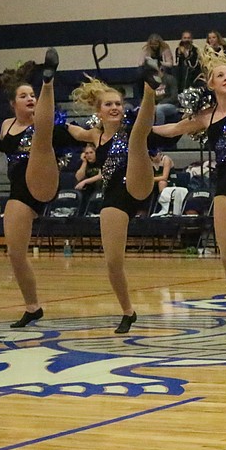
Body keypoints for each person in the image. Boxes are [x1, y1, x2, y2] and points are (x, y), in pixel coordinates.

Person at [153, 50, 226, 337]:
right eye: (221, 75)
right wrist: (141, 129)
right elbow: (174, 128)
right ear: (211, 84)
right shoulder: (206, 116)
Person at [64, 57, 169, 333]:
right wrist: (47, 117)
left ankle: (148, 87)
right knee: (113, 261)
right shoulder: (94, 136)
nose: (115, 108)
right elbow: (71, 130)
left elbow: (145, 123)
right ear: (98, 110)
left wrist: (149, 93)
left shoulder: (130, 127)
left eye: (118, 104)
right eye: (108, 104)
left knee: (137, 137)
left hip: (138, 182)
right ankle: (127, 311)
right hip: (113, 194)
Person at [0, 60, 74, 328]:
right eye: (23, 96)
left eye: (33, 95)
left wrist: (94, 135)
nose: (29, 98)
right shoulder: (6, 125)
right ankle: (32, 306)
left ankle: (49, 80)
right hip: (19, 190)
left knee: (43, 128)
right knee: (15, 253)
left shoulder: (43, 122)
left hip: (43, 180)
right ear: (13, 104)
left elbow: (73, 132)